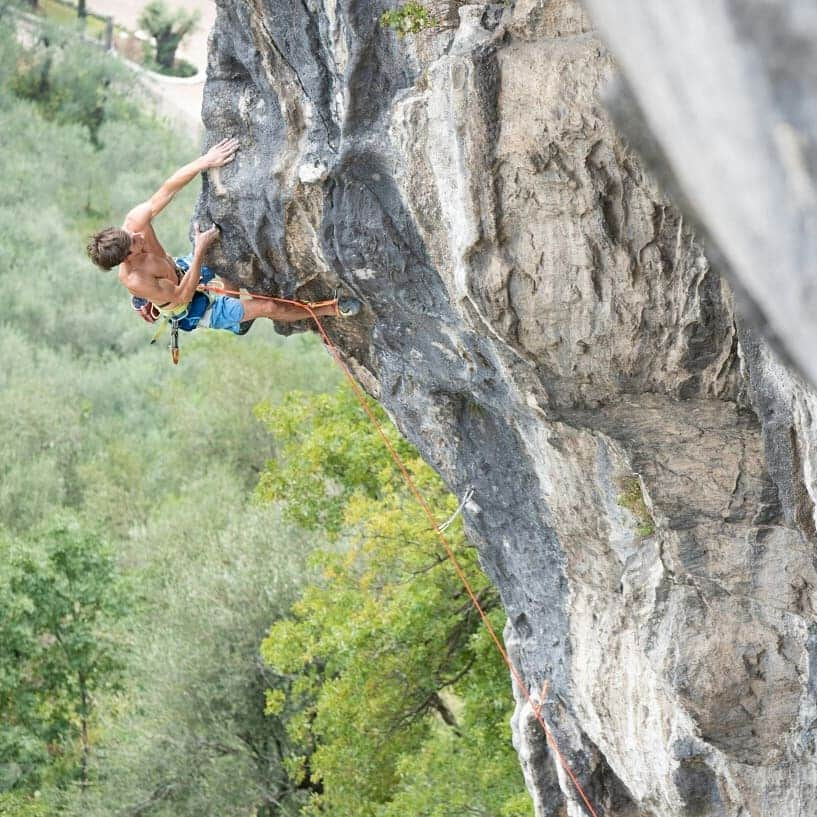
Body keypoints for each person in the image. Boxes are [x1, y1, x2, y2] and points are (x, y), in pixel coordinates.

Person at [86, 138, 360, 338]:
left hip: (181, 269)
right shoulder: (134, 279)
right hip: (188, 305)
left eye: (131, 234)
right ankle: (331, 310)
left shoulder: (134, 224)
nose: (137, 235)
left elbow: (167, 190)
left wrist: (205, 162)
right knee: (265, 305)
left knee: (227, 254)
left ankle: (235, 301)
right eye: (133, 242)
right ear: (127, 258)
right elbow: (182, 295)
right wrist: (200, 250)